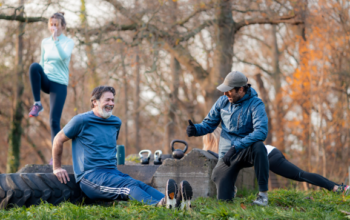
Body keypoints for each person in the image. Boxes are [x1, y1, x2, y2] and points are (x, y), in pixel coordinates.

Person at [52, 86, 193, 209]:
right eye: (107, 100)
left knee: (139, 184)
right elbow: (58, 139)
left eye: (113, 100)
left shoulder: (115, 122)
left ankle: (174, 202)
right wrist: (57, 167)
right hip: (90, 177)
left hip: (112, 173)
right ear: (94, 102)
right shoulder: (81, 121)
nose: (111, 103)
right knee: (128, 187)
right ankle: (159, 205)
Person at [186, 71, 270, 206]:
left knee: (259, 147)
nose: (225, 94)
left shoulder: (256, 104)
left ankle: (263, 196)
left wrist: (236, 147)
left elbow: (261, 132)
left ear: (241, 89)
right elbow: (209, 124)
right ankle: (231, 192)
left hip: (247, 149)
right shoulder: (222, 102)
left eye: (229, 91)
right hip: (227, 153)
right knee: (219, 185)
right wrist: (196, 129)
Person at [204, 127, 350, 195]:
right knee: (301, 175)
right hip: (270, 152)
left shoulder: (226, 148)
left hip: (270, 157)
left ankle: (338, 188)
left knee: (300, 175)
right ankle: (339, 188)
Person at [28, 12, 75, 164]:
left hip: (59, 84)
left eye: (56, 25)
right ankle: (37, 104)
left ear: (63, 26)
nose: (53, 27)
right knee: (34, 66)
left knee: (54, 121)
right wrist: (40, 75)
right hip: (47, 80)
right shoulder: (44, 42)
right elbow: (42, 62)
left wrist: (56, 41)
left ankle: (55, 157)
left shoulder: (68, 42)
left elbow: (63, 56)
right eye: (51, 24)